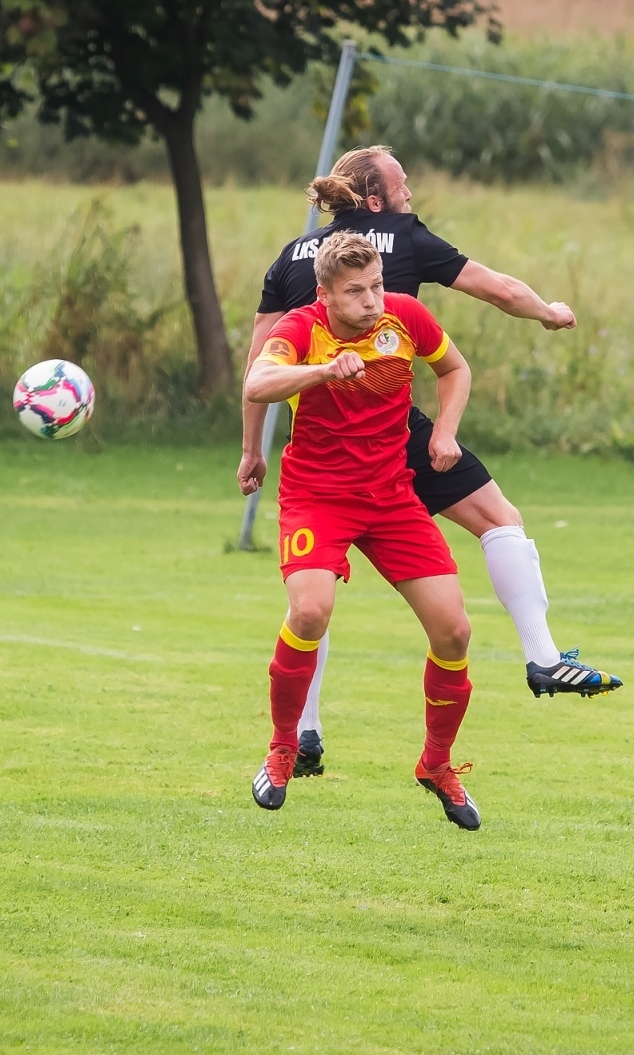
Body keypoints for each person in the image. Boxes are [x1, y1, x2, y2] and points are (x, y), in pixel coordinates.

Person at [238, 145, 622, 778]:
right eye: (402, 185)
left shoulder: (292, 255)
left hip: (319, 440)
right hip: (391, 431)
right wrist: (549, 312)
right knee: (499, 519)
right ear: (375, 200)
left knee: (311, 598)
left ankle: (305, 733)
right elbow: (498, 289)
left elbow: (258, 364)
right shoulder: (402, 234)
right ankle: (544, 656)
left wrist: (252, 449)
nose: (410, 193)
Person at [242, 231, 481, 830]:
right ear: (324, 294)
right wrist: (323, 371)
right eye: (355, 291)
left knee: (454, 630)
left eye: (376, 285)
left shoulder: (405, 316)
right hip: (317, 498)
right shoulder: (300, 329)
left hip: (391, 496)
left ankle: (436, 764)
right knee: (309, 612)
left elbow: (454, 369)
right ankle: (282, 749)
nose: (372, 300)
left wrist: (444, 431)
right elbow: (256, 384)